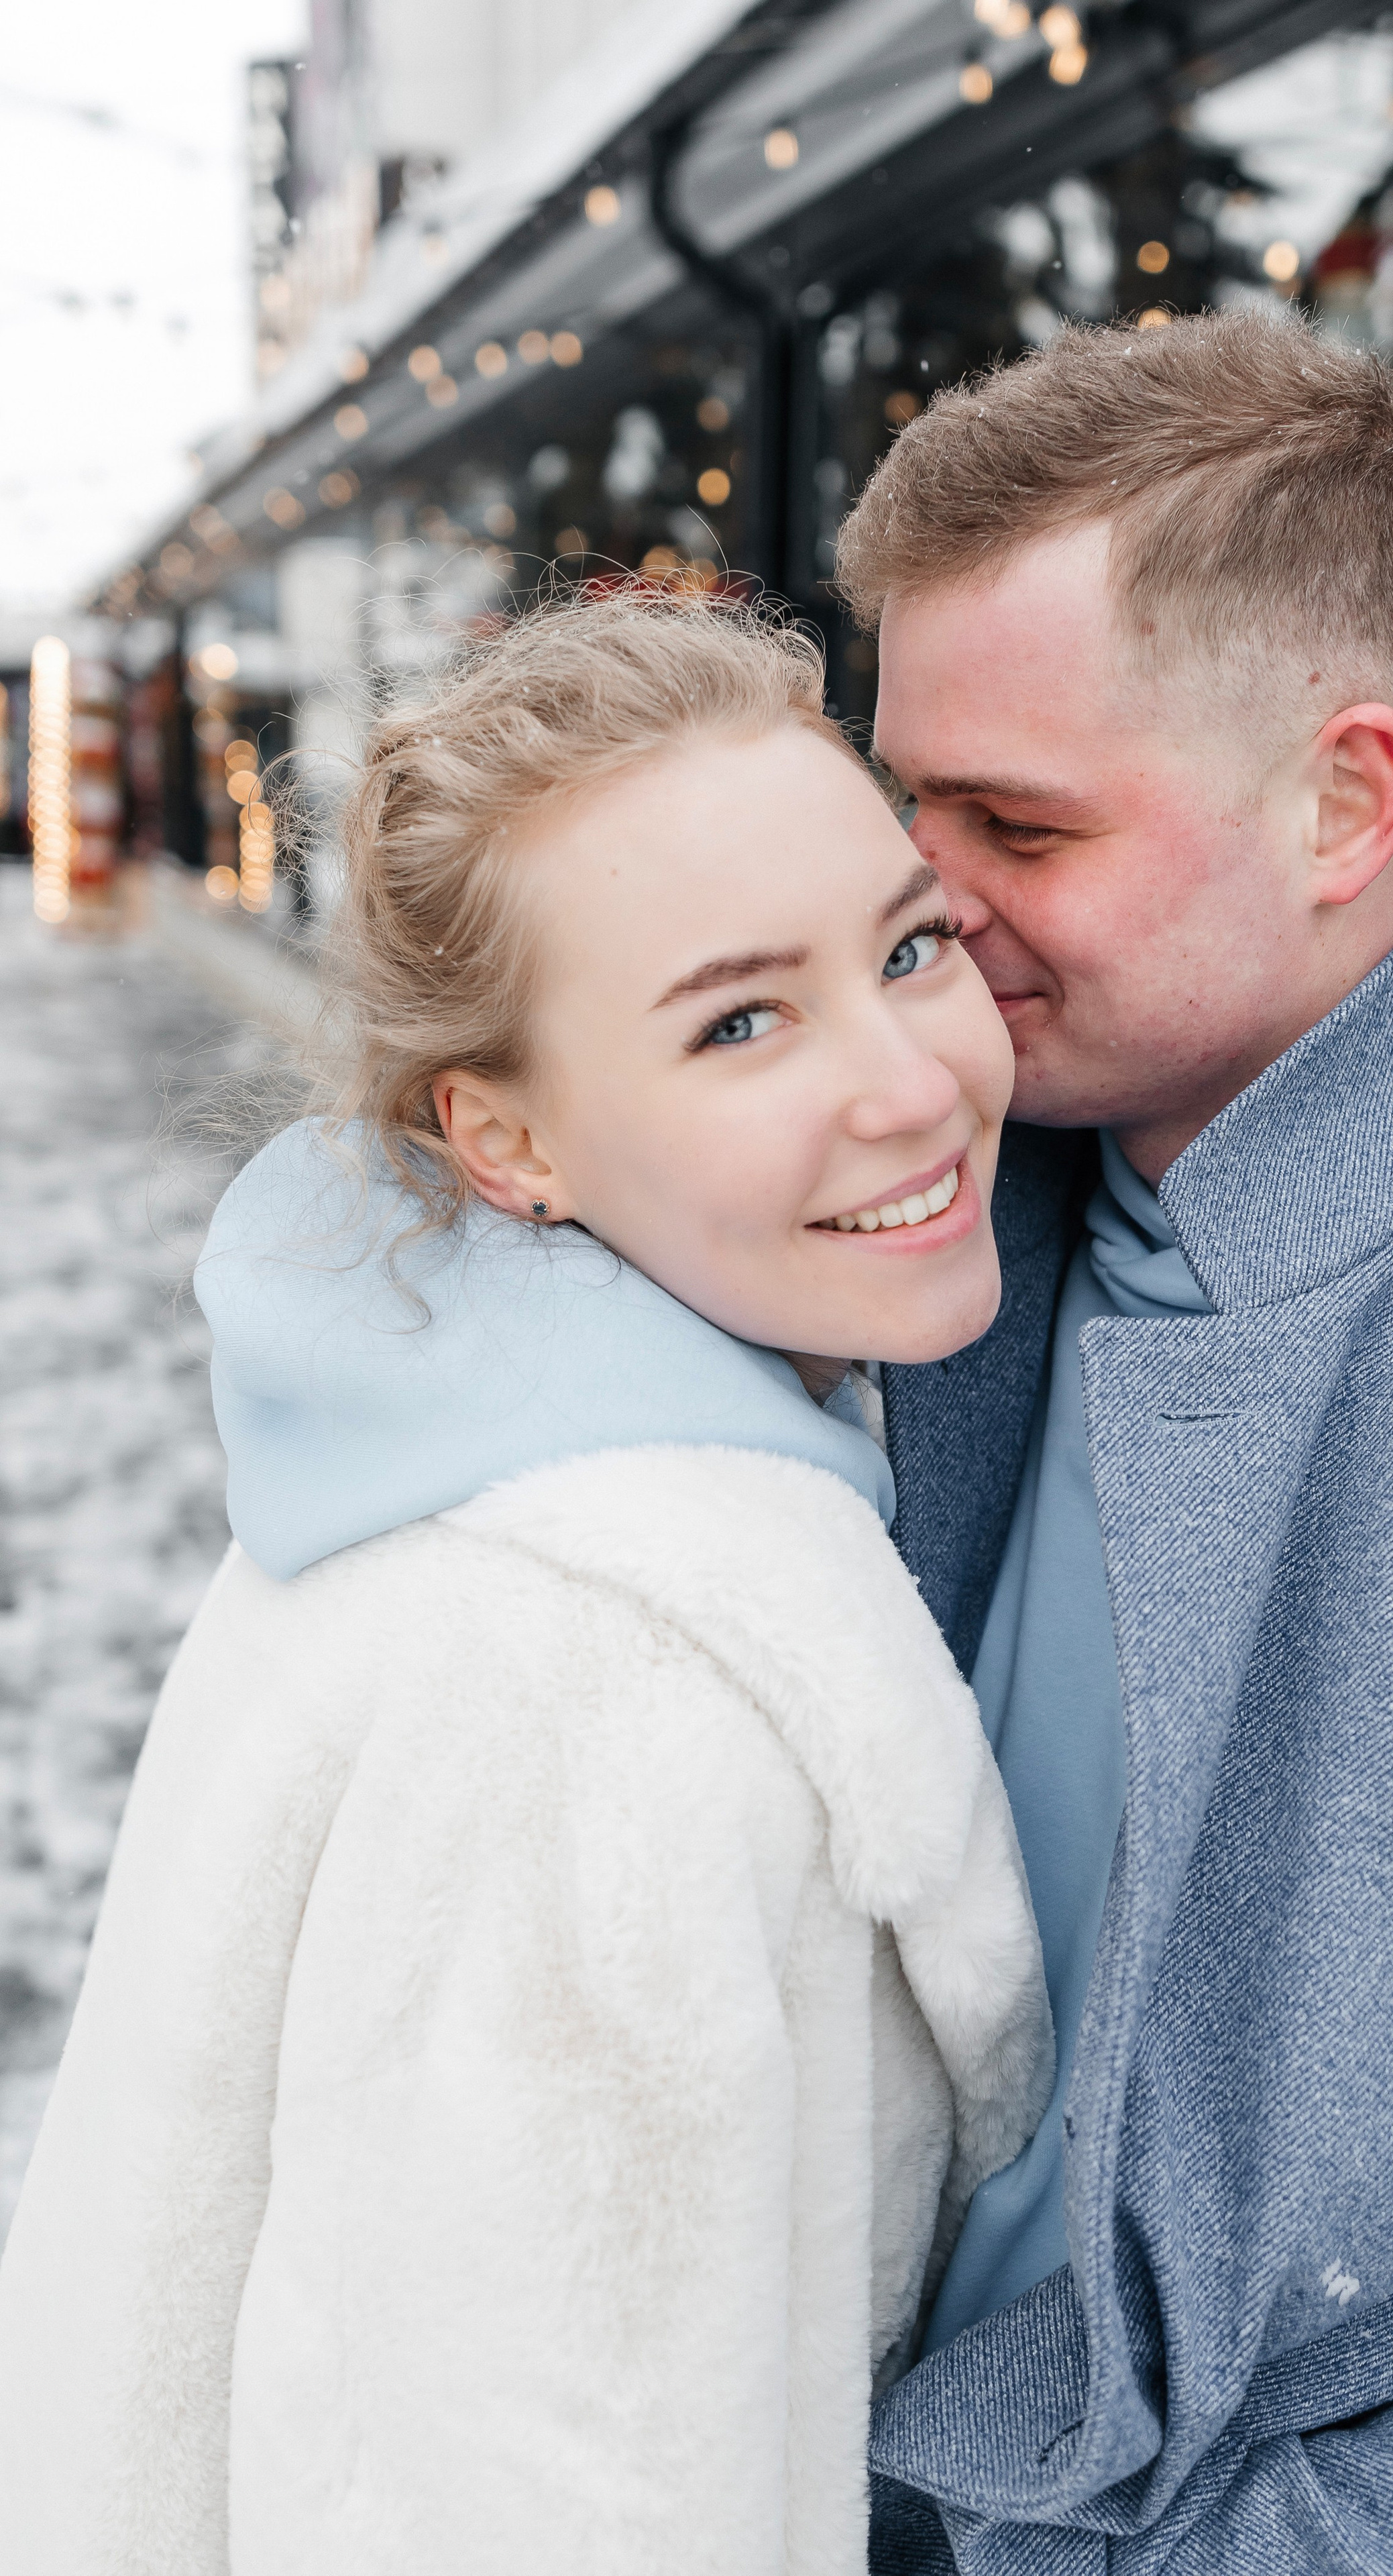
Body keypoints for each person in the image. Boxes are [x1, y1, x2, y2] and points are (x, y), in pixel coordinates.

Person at [0, 594, 1054, 2575]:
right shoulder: (608, 1695)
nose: (912, 1083)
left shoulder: (453, 1446)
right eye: (741, 1019)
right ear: (503, 1138)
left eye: (911, 947)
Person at [839, 309, 1393, 2572]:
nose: (920, 902)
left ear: (1345, 803)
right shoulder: (875, 1200)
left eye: (1018, 823)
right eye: (903, 805)